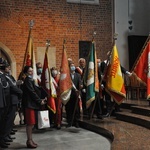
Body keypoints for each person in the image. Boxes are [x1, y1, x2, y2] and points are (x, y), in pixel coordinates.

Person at [22, 66, 47, 148]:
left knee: (32, 123)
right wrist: (40, 101)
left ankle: (30, 139)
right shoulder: (28, 80)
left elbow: (36, 90)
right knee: (30, 123)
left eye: (32, 71)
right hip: (29, 104)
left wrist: (42, 97)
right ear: (26, 72)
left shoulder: (30, 80)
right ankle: (29, 141)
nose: (32, 72)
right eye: (30, 71)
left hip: (32, 104)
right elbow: (32, 92)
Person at [65, 62, 82, 127]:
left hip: (76, 94)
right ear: (69, 67)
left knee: (76, 109)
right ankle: (69, 121)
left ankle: (76, 121)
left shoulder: (78, 75)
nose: (73, 67)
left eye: (73, 66)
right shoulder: (67, 75)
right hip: (69, 94)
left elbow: (80, 82)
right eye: (71, 66)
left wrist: (80, 86)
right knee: (69, 108)